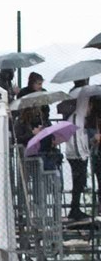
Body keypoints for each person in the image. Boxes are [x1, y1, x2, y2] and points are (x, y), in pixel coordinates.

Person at [59, 79, 92, 222]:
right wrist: (83, 154)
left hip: (76, 143)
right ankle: (75, 209)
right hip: (77, 146)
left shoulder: (74, 94)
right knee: (79, 178)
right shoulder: (81, 93)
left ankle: (75, 208)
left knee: (79, 179)